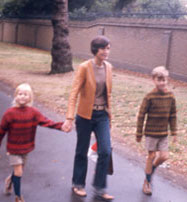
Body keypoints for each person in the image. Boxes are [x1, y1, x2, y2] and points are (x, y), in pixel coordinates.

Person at [0, 83, 65, 202]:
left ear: (30, 97)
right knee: (19, 171)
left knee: (18, 171)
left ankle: (10, 181)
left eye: (26, 94)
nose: (23, 97)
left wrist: (61, 126)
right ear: (15, 96)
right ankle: (18, 196)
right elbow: (1, 130)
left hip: (26, 148)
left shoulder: (33, 112)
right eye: (20, 94)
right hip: (13, 149)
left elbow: (46, 122)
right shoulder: (9, 113)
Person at [62, 36, 115, 200]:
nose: (106, 51)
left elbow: (108, 94)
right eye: (103, 48)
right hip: (85, 115)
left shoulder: (109, 67)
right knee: (82, 151)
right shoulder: (85, 67)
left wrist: (109, 116)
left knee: (105, 150)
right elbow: (74, 93)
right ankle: (78, 184)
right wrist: (70, 118)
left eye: (108, 48)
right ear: (95, 50)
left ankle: (99, 187)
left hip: (102, 115)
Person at [135, 66, 178, 195]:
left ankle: (150, 170)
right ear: (153, 80)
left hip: (163, 134)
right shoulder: (149, 97)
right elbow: (141, 115)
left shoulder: (170, 96)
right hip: (151, 133)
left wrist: (174, 132)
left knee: (164, 156)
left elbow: (172, 115)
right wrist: (139, 133)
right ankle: (147, 183)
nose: (162, 82)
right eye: (159, 80)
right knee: (151, 156)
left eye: (164, 80)